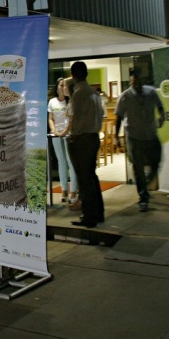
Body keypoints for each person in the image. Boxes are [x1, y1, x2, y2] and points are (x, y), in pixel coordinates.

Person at [114, 71, 166, 212]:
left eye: (138, 82)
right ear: (130, 82)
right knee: (138, 168)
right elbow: (118, 117)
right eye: (133, 83)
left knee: (156, 160)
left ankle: (147, 182)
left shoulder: (151, 92)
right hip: (134, 137)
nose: (136, 85)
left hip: (150, 134)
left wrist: (162, 116)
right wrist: (116, 136)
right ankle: (143, 198)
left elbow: (160, 107)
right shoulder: (125, 97)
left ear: (142, 81)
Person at [66, 61, 105, 227]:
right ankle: (98, 212)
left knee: (84, 179)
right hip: (94, 137)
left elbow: (76, 119)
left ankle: (89, 215)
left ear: (74, 75)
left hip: (82, 139)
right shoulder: (94, 93)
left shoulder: (79, 93)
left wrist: (72, 136)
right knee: (91, 177)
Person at [47, 77, 78, 204]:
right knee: (61, 161)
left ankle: (73, 190)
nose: (62, 87)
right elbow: (51, 118)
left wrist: (64, 131)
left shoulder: (70, 101)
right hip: (56, 134)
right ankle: (64, 189)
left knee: (71, 161)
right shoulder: (52, 102)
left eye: (64, 85)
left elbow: (71, 120)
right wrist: (54, 130)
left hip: (68, 134)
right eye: (60, 85)